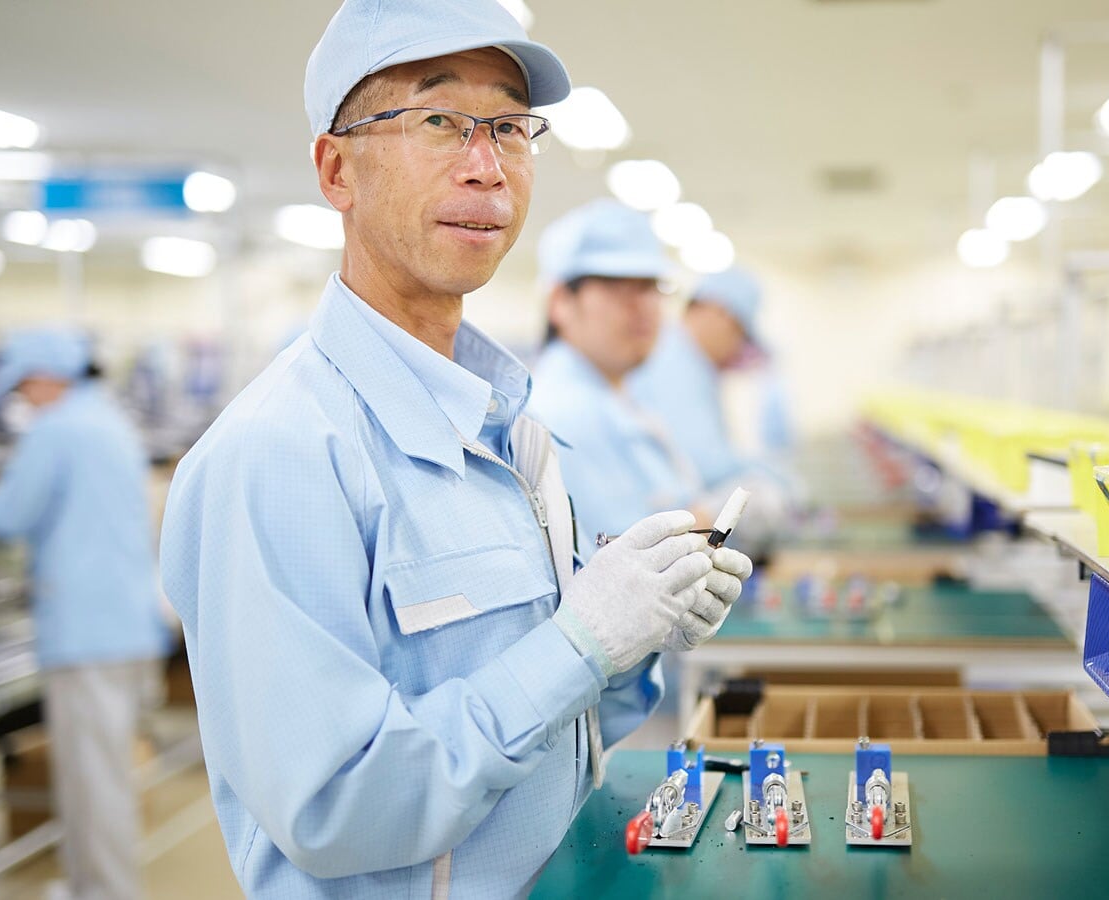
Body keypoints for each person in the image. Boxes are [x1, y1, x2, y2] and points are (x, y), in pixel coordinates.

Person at [158, 2, 752, 896]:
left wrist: (639, 636)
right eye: (439, 121)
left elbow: (562, 733)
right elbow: (340, 808)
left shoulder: (511, 433)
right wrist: (583, 642)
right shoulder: (278, 455)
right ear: (335, 168)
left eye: (510, 128)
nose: (487, 167)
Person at [0, 327, 170, 900]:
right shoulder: (108, 422)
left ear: (46, 377)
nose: (23, 398)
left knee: (95, 778)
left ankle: (105, 891)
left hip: (87, 630)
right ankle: (95, 882)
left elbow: (10, 514)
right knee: (101, 771)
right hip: (123, 621)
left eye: (24, 385)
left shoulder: (59, 429)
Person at [528, 199, 707, 550]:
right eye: (616, 285)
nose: (643, 305)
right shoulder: (560, 415)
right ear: (560, 302)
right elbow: (629, 566)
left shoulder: (621, 395)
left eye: (650, 286)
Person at [629, 267, 798, 556]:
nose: (736, 349)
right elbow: (702, 463)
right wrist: (772, 479)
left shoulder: (690, 361)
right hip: (659, 528)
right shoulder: (673, 360)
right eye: (739, 333)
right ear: (719, 312)